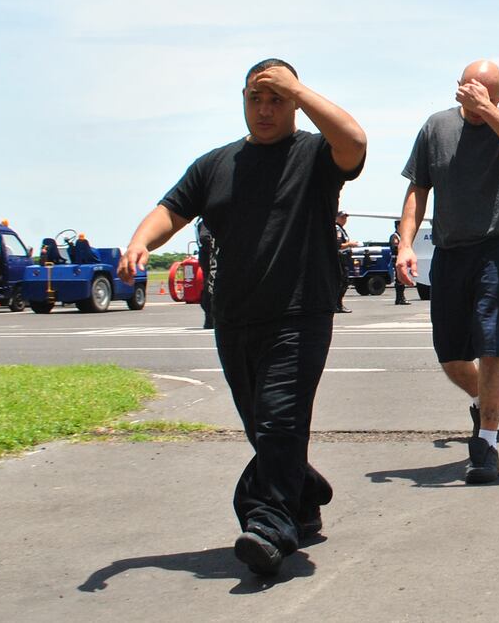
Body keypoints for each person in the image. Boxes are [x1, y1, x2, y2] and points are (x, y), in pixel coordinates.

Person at [116, 58, 367, 576]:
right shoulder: (217, 164)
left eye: (277, 98)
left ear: (295, 103)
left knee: (279, 418)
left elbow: (355, 141)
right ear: (243, 103)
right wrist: (141, 241)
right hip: (234, 316)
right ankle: (305, 492)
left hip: (301, 311)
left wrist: (298, 88)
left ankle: (268, 526)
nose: (266, 108)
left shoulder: (314, 155)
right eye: (257, 98)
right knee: (262, 425)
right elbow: (171, 210)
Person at [396, 60, 499, 484]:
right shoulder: (436, 126)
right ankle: (487, 400)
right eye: (467, 87)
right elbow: (418, 188)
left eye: (484, 90)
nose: (473, 94)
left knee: (492, 346)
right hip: (450, 249)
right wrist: (406, 243)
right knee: (451, 355)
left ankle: (487, 445)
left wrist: (491, 112)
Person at [335, 211, 359, 313]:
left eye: (345, 217)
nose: (345, 220)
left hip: (344, 257)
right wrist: (350, 244)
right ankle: (338, 305)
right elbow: (338, 245)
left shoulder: (341, 229)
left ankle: (337, 304)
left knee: (344, 281)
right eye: (342, 217)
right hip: (340, 257)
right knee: (343, 281)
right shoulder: (337, 229)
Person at [196, 219, 215, 329]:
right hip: (210, 257)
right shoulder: (206, 220)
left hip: (207, 256)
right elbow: (204, 238)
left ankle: (210, 319)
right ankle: (210, 318)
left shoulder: (202, 221)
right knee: (210, 286)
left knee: (209, 286)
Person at [389, 221, 409, 305]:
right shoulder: (395, 236)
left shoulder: (401, 236)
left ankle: (401, 298)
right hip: (397, 260)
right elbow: (395, 247)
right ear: (398, 226)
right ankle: (399, 298)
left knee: (401, 280)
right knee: (399, 280)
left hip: (401, 260)